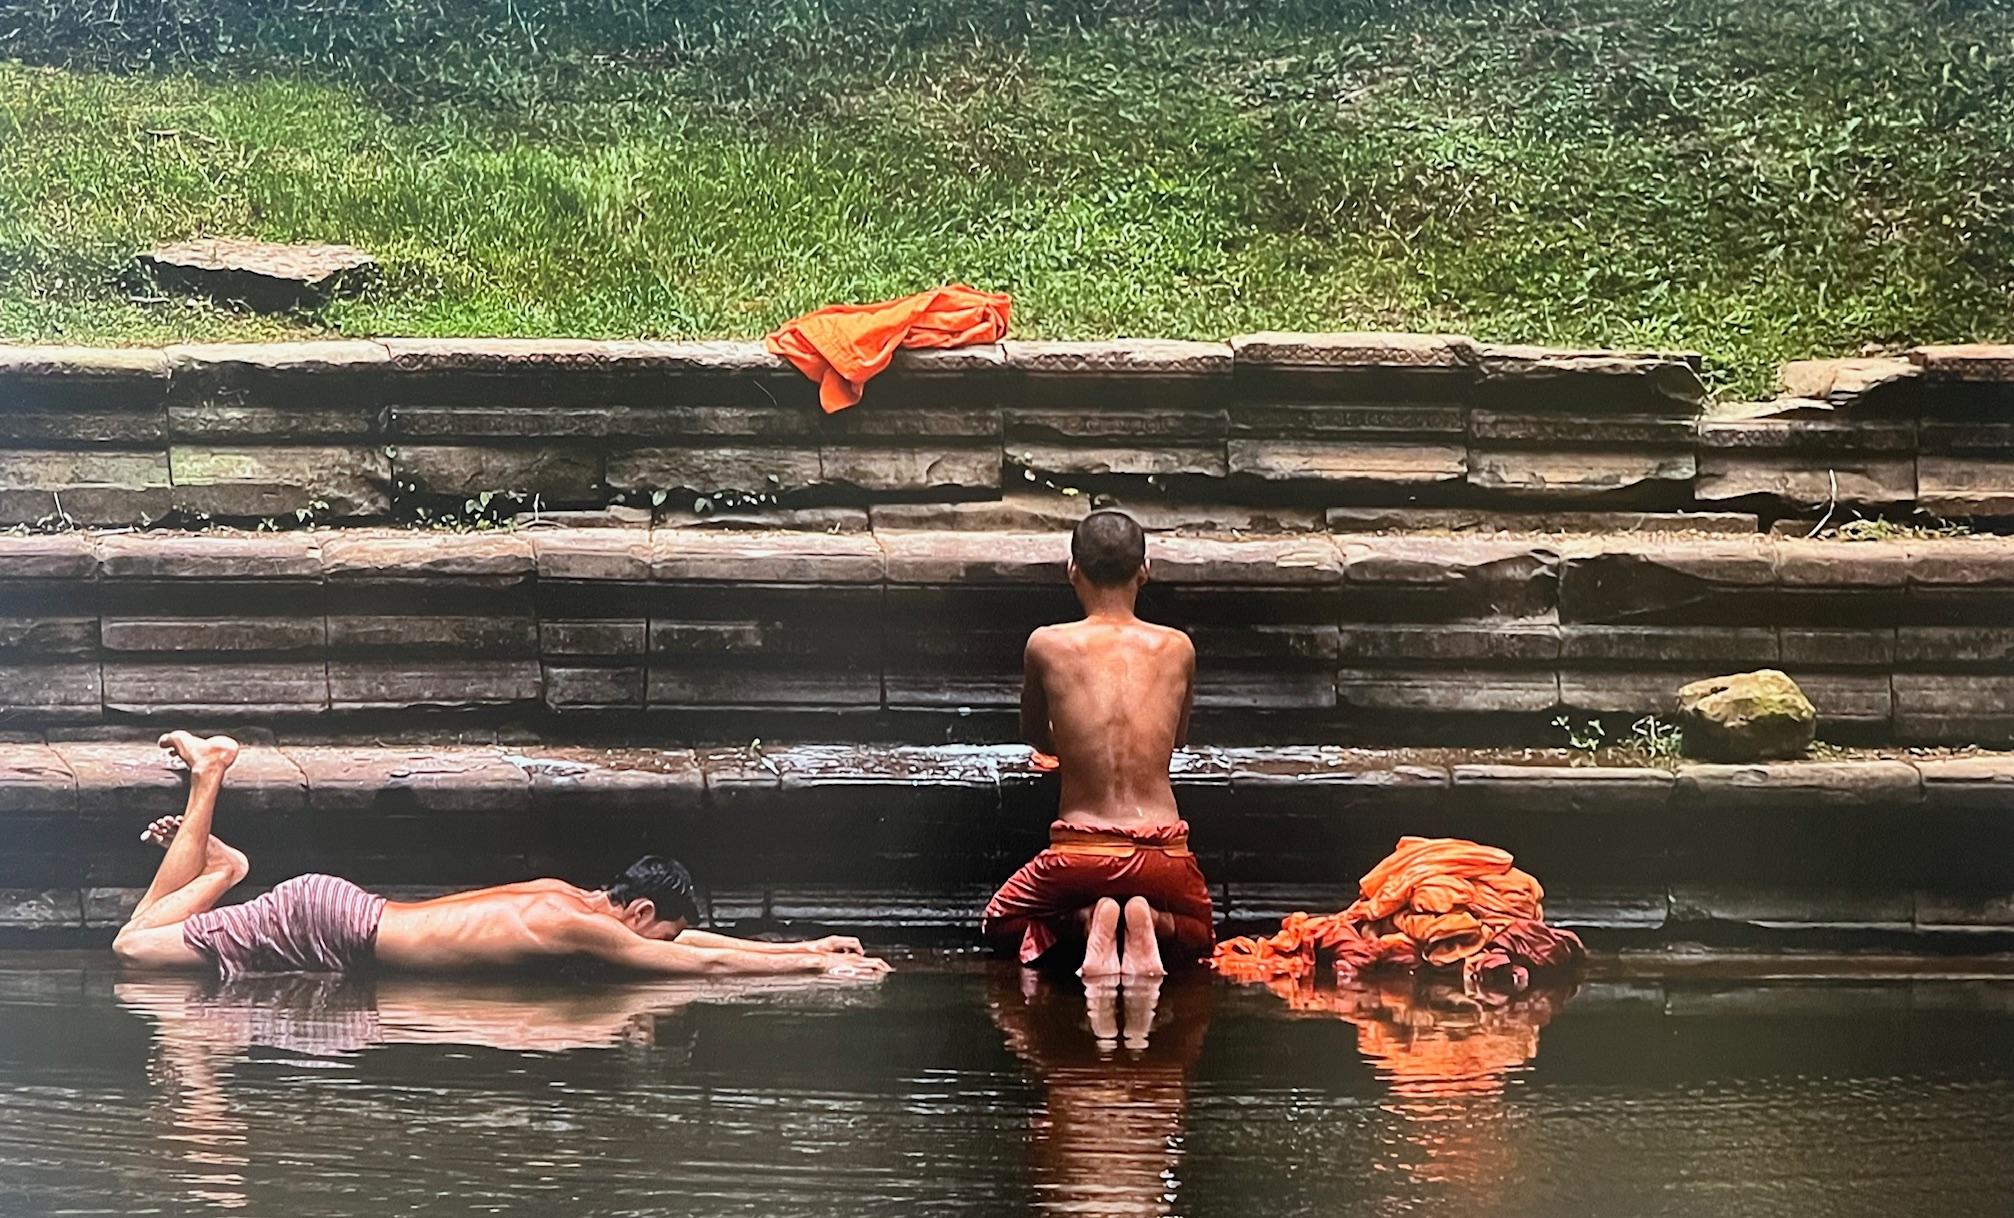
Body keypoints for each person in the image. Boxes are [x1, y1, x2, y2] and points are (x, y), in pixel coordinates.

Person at [113, 731, 891, 979]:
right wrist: (813, 968)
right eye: (658, 930)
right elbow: (702, 967)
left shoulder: (569, 895)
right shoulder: (579, 925)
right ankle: (212, 787)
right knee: (131, 948)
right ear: (639, 912)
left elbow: (689, 944)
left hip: (342, 918)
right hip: (326, 925)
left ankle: (221, 861)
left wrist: (800, 942)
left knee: (147, 934)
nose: (653, 945)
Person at [982, 510, 1214, 977]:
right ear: (1144, 571)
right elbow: (1179, 739)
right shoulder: (1178, 647)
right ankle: (1156, 922)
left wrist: (1067, 750)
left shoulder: (1046, 644)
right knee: (1201, 933)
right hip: (1164, 853)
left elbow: (1033, 735)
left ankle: (1087, 921)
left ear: (1072, 570)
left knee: (1001, 922)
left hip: (1080, 854)